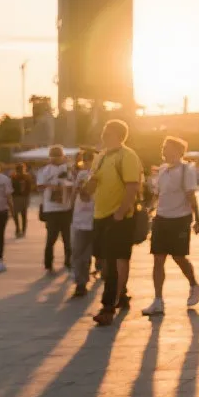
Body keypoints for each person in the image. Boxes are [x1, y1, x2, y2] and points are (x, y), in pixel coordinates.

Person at [85, 119, 144, 327]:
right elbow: (93, 182)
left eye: (106, 131)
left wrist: (120, 212)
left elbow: (132, 186)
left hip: (119, 217)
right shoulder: (100, 157)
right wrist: (84, 190)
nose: (103, 134)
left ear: (118, 134)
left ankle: (108, 307)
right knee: (101, 259)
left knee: (112, 261)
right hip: (100, 215)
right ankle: (121, 295)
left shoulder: (127, 156)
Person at [143, 137, 199, 316]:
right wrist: (149, 209)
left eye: (166, 147)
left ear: (177, 151)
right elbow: (158, 194)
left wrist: (197, 219)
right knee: (158, 258)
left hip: (180, 219)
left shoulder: (186, 170)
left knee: (179, 257)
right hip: (161, 219)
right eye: (163, 147)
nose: (163, 150)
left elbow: (191, 196)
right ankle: (158, 301)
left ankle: (194, 285)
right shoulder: (162, 170)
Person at [36, 145, 75, 272]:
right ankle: (48, 263)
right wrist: (51, 186)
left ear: (62, 157)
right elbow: (39, 186)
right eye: (54, 157)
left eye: (58, 157)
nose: (56, 159)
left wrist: (66, 186)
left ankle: (68, 261)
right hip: (51, 209)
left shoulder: (68, 169)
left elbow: (73, 184)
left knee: (67, 238)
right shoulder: (45, 170)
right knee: (51, 238)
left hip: (66, 207)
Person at [70, 149, 97, 297]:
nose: (87, 163)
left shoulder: (99, 176)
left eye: (90, 160)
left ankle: (84, 280)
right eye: (85, 161)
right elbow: (76, 194)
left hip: (94, 219)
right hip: (80, 219)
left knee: (87, 254)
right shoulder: (81, 175)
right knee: (79, 253)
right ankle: (81, 283)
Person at [10, 163, 34, 237]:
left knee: (19, 214)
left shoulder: (16, 177)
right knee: (21, 214)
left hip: (18, 197)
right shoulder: (15, 177)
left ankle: (20, 230)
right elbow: (30, 188)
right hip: (20, 197)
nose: (21, 170)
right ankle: (20, 230)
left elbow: (29, 188)